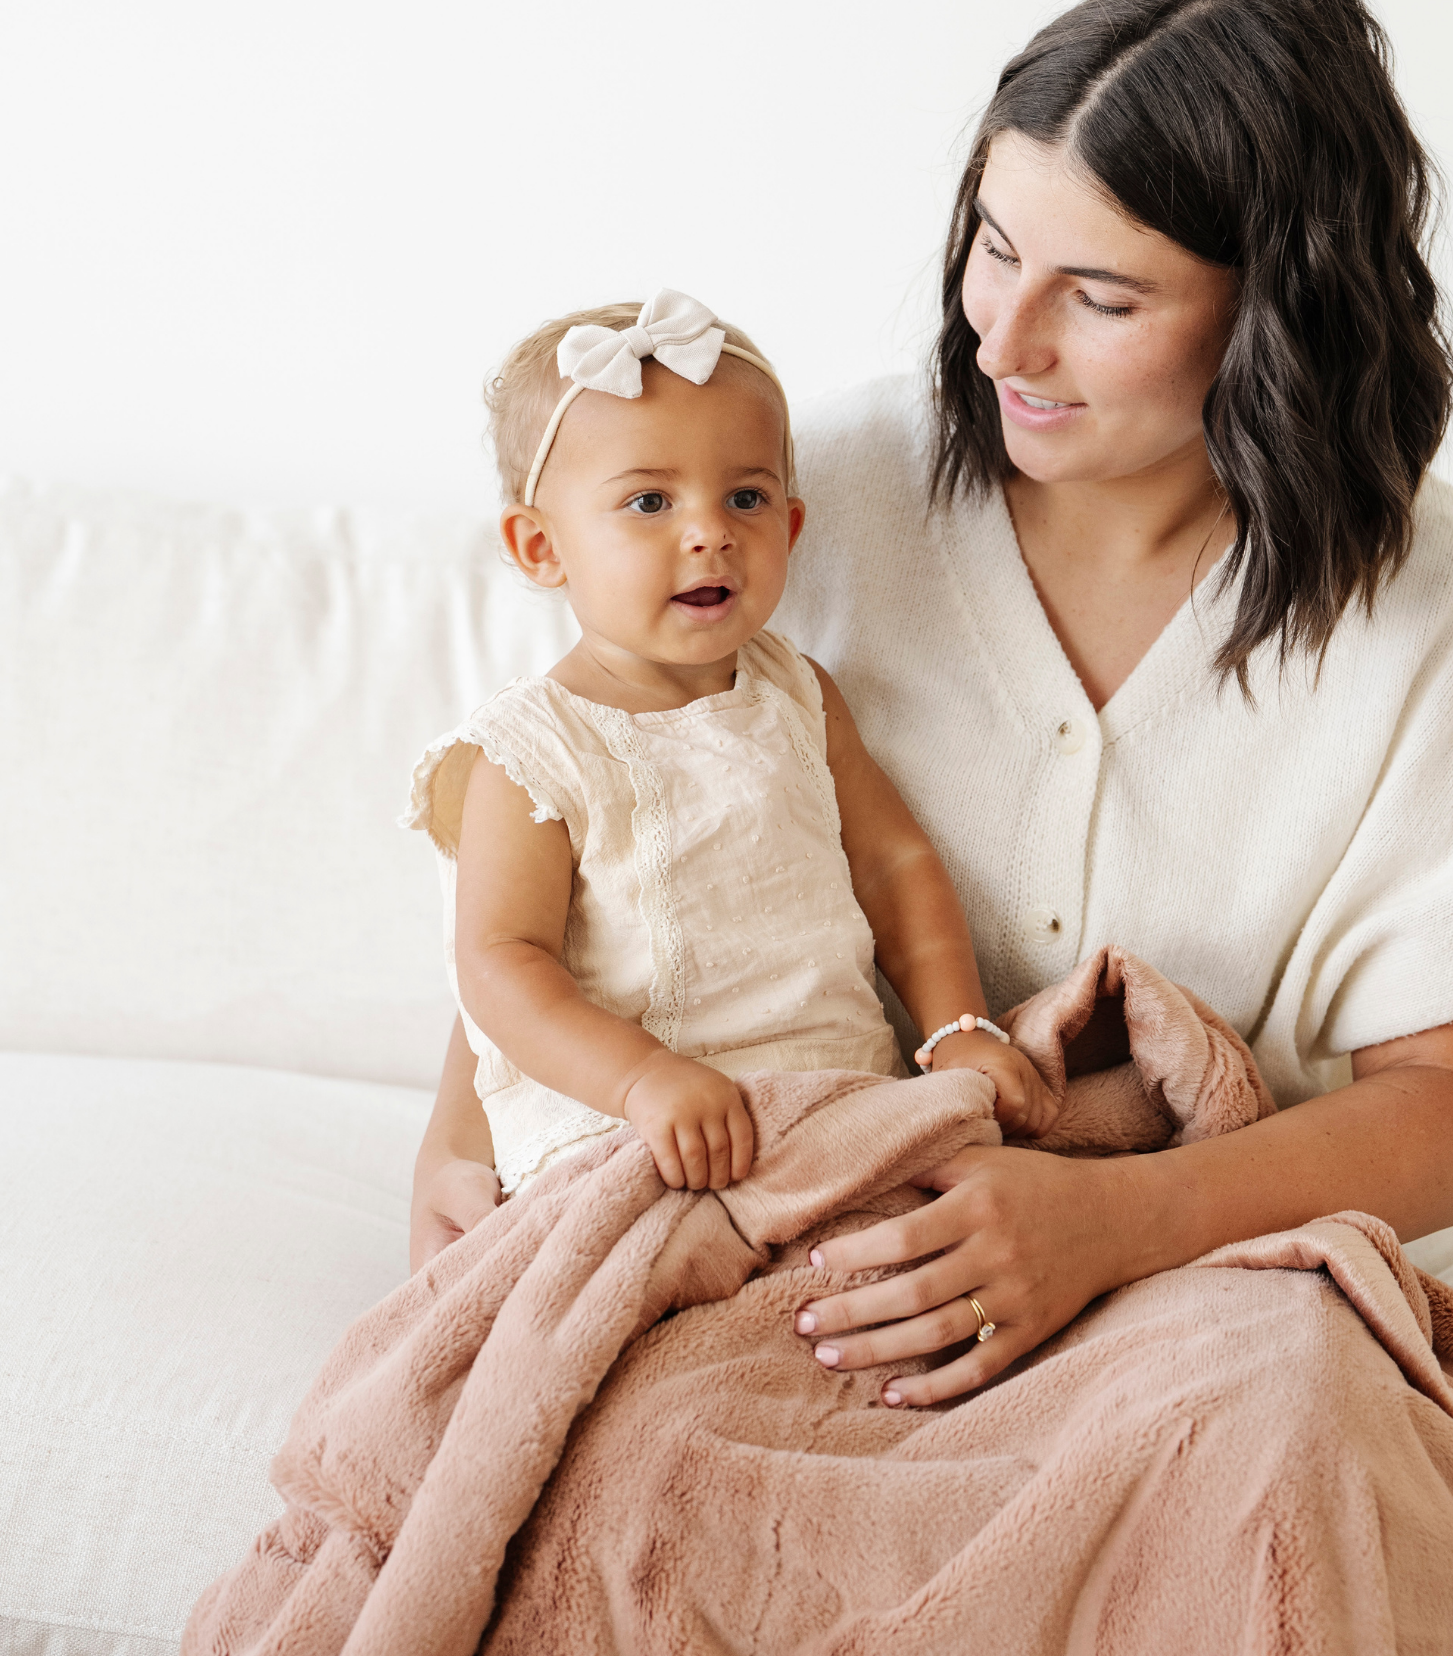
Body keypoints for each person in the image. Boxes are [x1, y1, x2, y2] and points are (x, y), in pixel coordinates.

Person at [414, 0, 1453, 1411]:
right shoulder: (801, 498)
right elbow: (584, 804)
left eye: (1101, 300)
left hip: (1192, 1246)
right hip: (783, 1223)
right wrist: (458, 1140)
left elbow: (1448, 1110)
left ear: (1277, 311)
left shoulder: (1430, 602)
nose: (1001, 347)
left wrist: (1109, 1226)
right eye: (994, 248)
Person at [402, 290, 1055, 1202]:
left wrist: (955, 1026)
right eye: (648, 501)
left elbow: (896, 865)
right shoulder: (532, 753)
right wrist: (639, 1079)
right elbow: (501, 964)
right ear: (541, 548)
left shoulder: (797, 694)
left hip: (832, 1098)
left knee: (969, 1209)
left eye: (744, 497)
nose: (709, 531)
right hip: (632, 1128)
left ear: (790, 527)